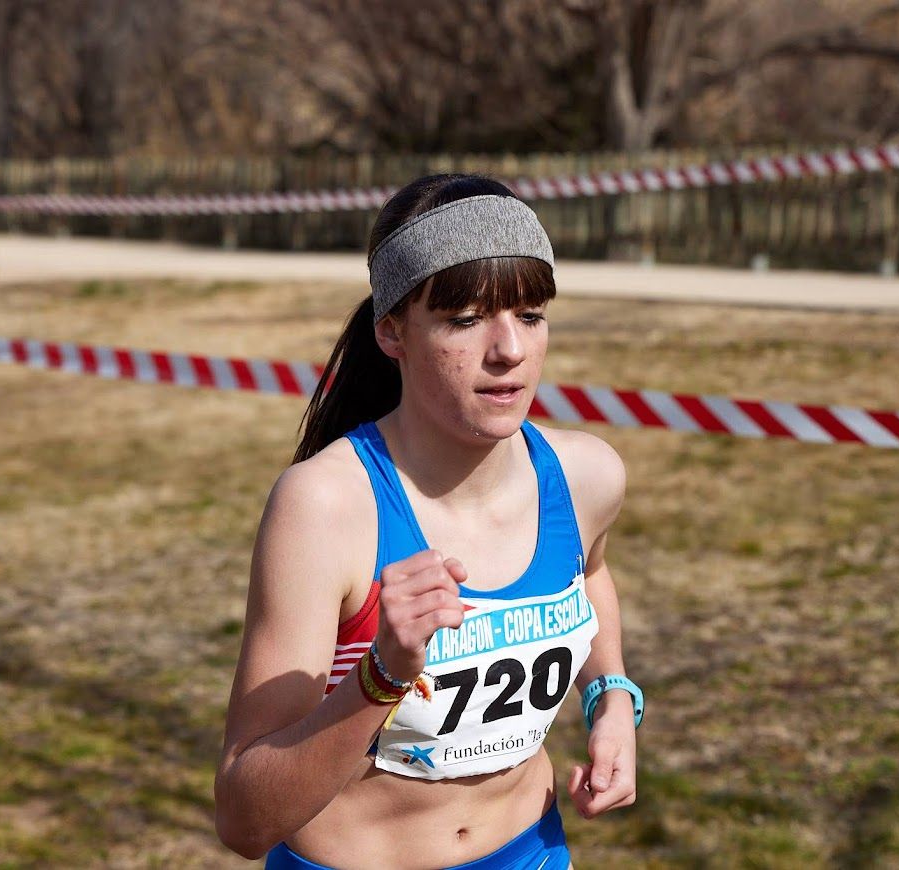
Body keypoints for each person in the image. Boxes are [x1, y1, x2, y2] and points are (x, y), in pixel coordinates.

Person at [214, 173, 644, 869]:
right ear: (392, 331)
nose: (509, 350)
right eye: (465, 319)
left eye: (530, 314)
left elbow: (588, 574)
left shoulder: (586, 477)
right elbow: (243, 818)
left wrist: (610, 696)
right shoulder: (324, 509)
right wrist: (381, 676)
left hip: (532, 852)